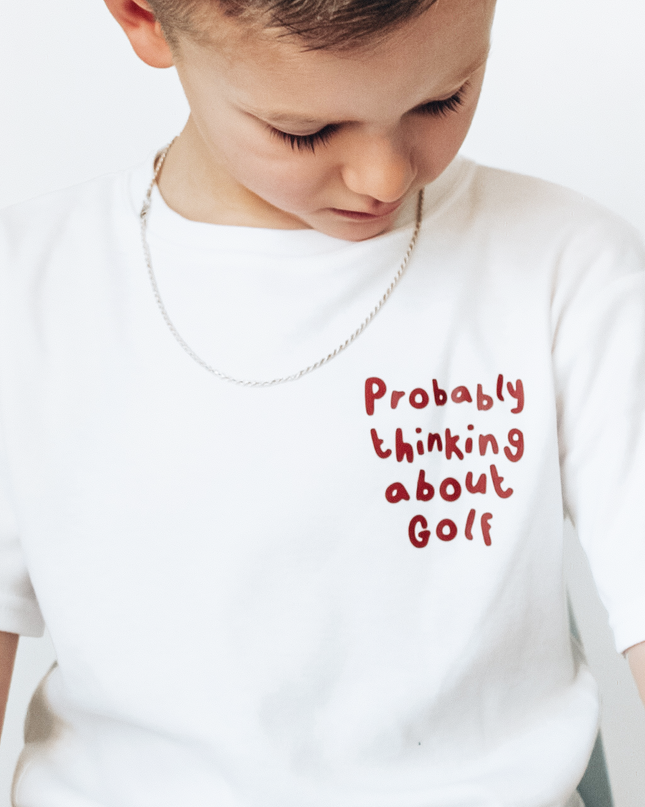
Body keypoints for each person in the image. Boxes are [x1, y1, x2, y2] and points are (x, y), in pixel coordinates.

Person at [0, 0, 644, 805]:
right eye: (305, 132)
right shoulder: (30, 292)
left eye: (442, 100)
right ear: (143, 18)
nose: (384, 177)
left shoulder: (566, 269)